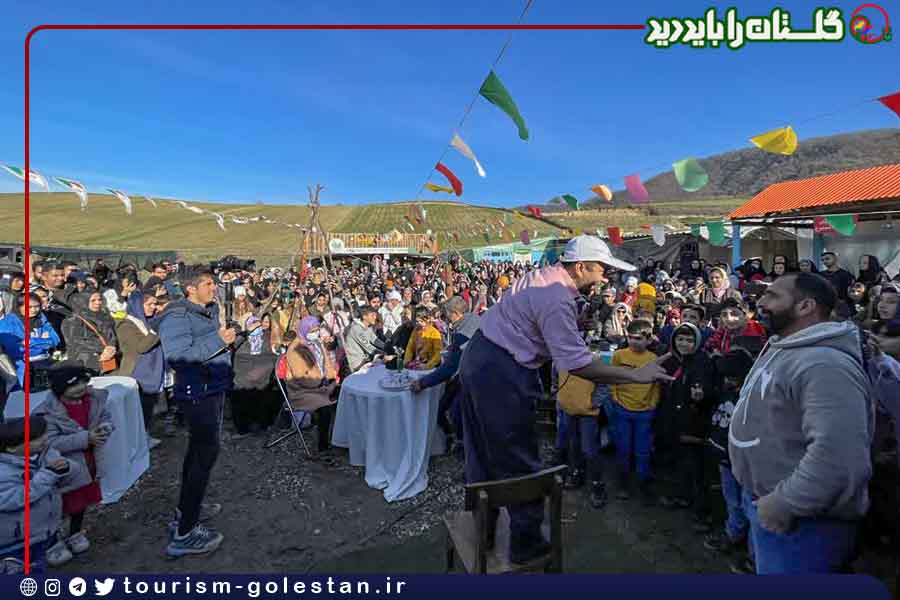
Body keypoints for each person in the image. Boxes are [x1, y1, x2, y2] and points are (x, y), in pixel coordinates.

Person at [458, 236, 672, 564]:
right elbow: (579, 365)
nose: (606, 276)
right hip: (501, 370)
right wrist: (635, 375)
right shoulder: (557, 298)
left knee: (482, 451)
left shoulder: (543, 276)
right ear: (581, 266)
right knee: (517, 455)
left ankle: (483, 528)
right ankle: (525, 543)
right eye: (602, 268)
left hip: (479, 354)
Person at [729, 272, 873, 574]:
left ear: (805, 306)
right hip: (770, 508)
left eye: (772, 296)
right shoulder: (787, 348)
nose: (761, 302)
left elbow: (839, 456)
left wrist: (785, 503)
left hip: (801, 524)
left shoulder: (825, 364)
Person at [158, 266, 231, 557]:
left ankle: (187, 508)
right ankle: (185, 533)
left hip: (210, 387)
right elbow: (178, 356)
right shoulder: (177, 317)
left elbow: (207, 346)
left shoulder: (205, 311)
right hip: (197, 392)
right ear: (191, 289)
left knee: (198, 452)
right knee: (204, 455)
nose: (214, 288)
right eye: (208, 284)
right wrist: (219, 340)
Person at [43, 363, 111, 565]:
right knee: (58, 507)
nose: (80, 387)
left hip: (89, 463)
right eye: (73, 385)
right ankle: (52, 542)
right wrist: (85, 438)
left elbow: (105, 416)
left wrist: (105, 427)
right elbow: (50, 442)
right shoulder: (49, 413)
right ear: (60, 388)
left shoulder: (93, 400)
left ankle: (75, 533)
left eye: (83, 382)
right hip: (66, 469)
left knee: (81, 502)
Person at [0, 415, 83, 572]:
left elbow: (72, 476)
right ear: (12, 448)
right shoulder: (3, 472)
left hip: (42, 531)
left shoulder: (46, 453)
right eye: (36, 438)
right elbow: (13, 499)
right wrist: (48, 475)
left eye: (43, 434)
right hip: (16, 542)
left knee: (37, 566)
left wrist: (67, 467)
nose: (44, 439)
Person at [655, 323, 717, 526]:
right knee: (680, 462)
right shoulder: (673, 360)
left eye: (689, 340)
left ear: (697, 342)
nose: (684, 343)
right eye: (680, 339)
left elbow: (708, 389)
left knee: (696, 468)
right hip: (675, 420)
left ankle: (702, 512)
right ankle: (683, 497)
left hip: (693, 423)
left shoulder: (702, 362)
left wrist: (701, 395)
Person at [703, 348, 757, 574]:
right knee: (732, 500)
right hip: (724, 458)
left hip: (747, 464)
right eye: (726, 376)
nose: (728, 381)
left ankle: (755, 555)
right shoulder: (723, 391)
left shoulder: (754, 397)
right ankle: (733, 533)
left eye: (733, 377)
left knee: (751, 508)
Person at [610, 320, 662, 505]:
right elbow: (613, 377)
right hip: (622, 409)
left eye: (639, 339)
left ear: (648, 340)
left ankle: (643, 483)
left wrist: (653, 403)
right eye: (631, 338)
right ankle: (623, 483)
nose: (634, 342)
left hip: (645, 412)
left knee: (643, 450)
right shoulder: (619, 355)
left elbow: (656, 384)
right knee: (623, 448)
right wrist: (615, 398)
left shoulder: (653, 358)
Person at [115, 291, 165, 450]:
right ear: (137, 305)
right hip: (137, 372)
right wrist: (156, 329)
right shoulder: (126, 325)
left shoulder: (148, 321)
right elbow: (141, 347)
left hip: (151, 371)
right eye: (149, 304)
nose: (154, 307)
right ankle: (134, 442)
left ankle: (144, 435)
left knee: (148, 407)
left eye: (155, 304)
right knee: (138, 408)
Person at [231, 314, 279, 436]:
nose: (257, 329)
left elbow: (273, 355)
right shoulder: (241, 339)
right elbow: (233, 346)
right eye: (254, 327)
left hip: (262, 380)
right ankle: (243, 429)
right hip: (243, 380)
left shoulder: (267, 336)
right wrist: (246, 332)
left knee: (262, 402)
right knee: (242, 404)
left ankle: (261, 425)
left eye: (258, 326)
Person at [0, 293, 60, 389]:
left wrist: (30, 341)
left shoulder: (42, 319)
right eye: (29, 307)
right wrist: (43, 340)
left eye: (37, 306)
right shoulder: (6, 324)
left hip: (45, 365)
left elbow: (55, 340)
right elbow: (16, 350)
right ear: (19, 306)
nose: (34, 310)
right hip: (20, 370)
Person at [61, 291, 119, 375]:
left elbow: (110, 334)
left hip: (107, 358)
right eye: (93, 300)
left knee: (110, 378)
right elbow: (75, 341)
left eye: (100, 299)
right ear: (83, 301)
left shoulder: (104, 316)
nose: (98, 303)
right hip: (87, 360)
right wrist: (103, 349)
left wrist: (111, 347)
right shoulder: (72, 320)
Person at [343, 306, 387, 373]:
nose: (375, 317)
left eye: (375, 315)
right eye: (372, 315)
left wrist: (388, 347)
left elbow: (375, 340)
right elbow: (369, 347)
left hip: (366, 359)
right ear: (364, 317)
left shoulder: (368, 327)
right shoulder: (356, 329)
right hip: (357, 364)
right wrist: (385, 353)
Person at [403, 306, 443, 370]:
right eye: (417, 321)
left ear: (428, 319)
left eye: (421, 321)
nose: (420, 324)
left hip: (430, 365)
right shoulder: (416, 331)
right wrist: (407, 361)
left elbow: (438, 354)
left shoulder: (434, 333)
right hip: (417, 363)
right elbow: (410, 348)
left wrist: (427, 366)